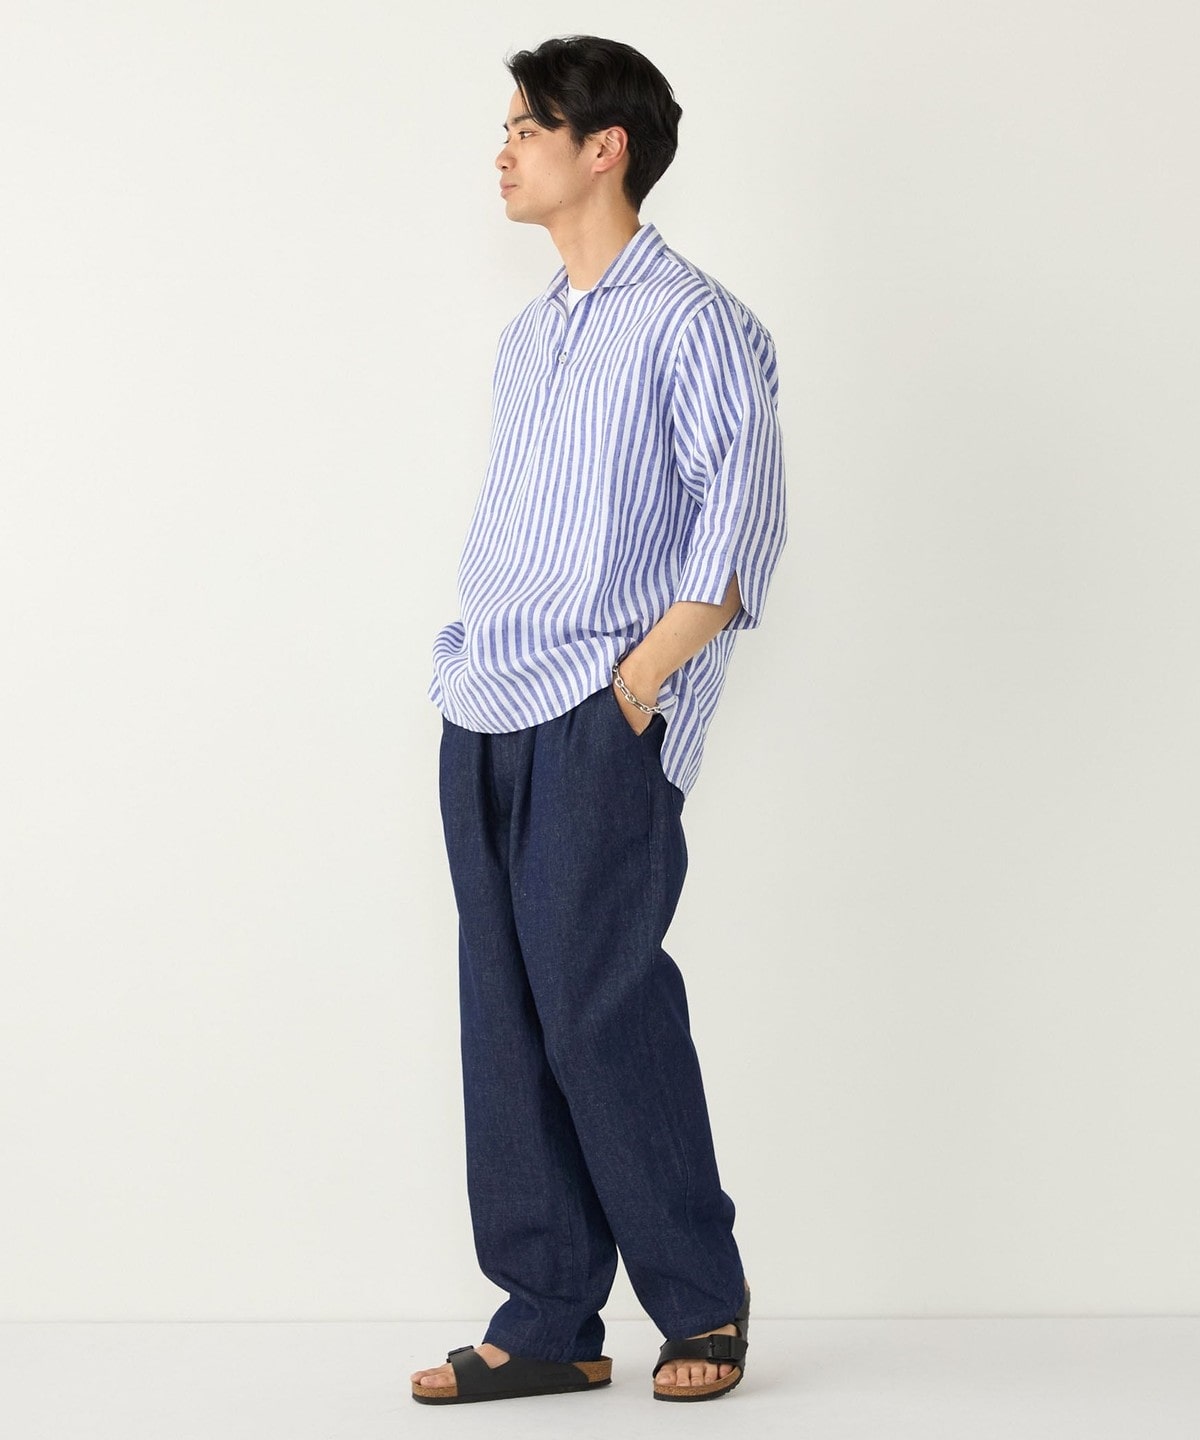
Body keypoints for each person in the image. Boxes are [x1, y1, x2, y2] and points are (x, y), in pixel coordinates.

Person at [411, 34, 787, 1406]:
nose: (504, 151)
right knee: (505, 1016)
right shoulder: (530, 339)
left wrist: (637, 686)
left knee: (599, 1009)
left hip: (596, 710)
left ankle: (701, 1303)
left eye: (528, 126)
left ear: (603, 146)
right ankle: (550, 1319)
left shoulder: (697, 322)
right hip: (483, 702)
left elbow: (740, 536)